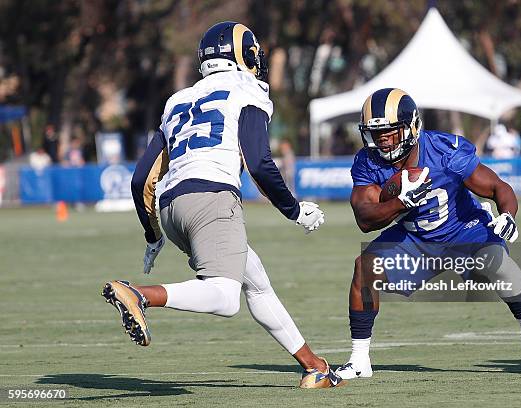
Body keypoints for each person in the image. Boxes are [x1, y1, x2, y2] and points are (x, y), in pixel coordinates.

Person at [101, 21, 343, 389]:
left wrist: (153, 236)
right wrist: (295, 210)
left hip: (170, 207)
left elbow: (141, 179)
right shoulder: (248, 90)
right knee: (225, 297)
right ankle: (139, 294)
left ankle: (314, 367)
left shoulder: (178, 100)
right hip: (211, 199)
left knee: (256, 281)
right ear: (245, 55)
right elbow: (259, 161)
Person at [335, 88, 521, 380]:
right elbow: (364, 219)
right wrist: (401, 202)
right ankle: (359, 359)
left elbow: (497, 188)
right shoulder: (368, 161)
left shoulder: (444, 151)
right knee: (364, 268)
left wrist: (507, 215)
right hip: (416, 240)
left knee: (499, 265)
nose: (384, 141)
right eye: (377, 134)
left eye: (390, 132)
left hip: (464, 231)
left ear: (411, 126)